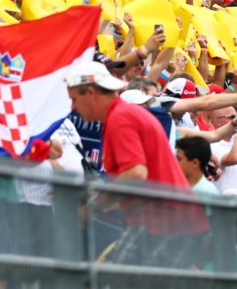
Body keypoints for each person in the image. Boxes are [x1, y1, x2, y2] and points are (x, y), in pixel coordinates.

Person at [66, 60, 208, 266]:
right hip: (169, 221)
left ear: (90, 93)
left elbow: (135, 175)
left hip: (164, 222)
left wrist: (93, 207)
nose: (73, 107)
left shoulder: (120, 118)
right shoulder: (123, 115)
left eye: (74, 99)